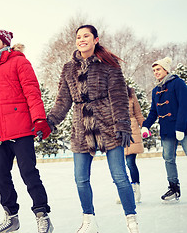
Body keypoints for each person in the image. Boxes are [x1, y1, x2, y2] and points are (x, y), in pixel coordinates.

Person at [46, 25, 139, 233]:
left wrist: (122, 124)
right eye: (78, 36)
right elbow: (63, 100)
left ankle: (131, 219)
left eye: (86, 36)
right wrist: (51, 120)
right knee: (80, 179)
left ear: (96, 39)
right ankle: (89, 220)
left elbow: (119, 96)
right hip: (81, 128)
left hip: (108, 124)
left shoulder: (109, 64)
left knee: (120, 177)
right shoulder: (68, 68)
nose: (81, 39)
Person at [0, 29, 54, 233]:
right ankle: (11, 217)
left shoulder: (19, 62)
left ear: (5, 43)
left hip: (21, 130)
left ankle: (42, 215)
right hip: (0, 134)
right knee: (0, 176)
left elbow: (32, 91)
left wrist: (39, 119)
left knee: (28, 173)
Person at [141, 57, 187, 202]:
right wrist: (145, 125)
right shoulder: (156, 90)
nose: (156, 72)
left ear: (166, 69)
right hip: (167, 131)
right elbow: (153, 112)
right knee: (168, 158)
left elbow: (184, 106)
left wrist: (180, 127)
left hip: (183, 128)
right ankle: (174, 188)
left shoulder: (178, 83)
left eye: (158, 69)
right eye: (154, 70)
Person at [117, 85, 145, 204]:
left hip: (132, 132)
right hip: (118, 132)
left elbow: (138, 113)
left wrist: (145, 127)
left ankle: (135, 190)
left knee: (130, 162)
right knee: (119, 165)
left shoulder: (131, 95)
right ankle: (124, 191)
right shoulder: (109, 95)